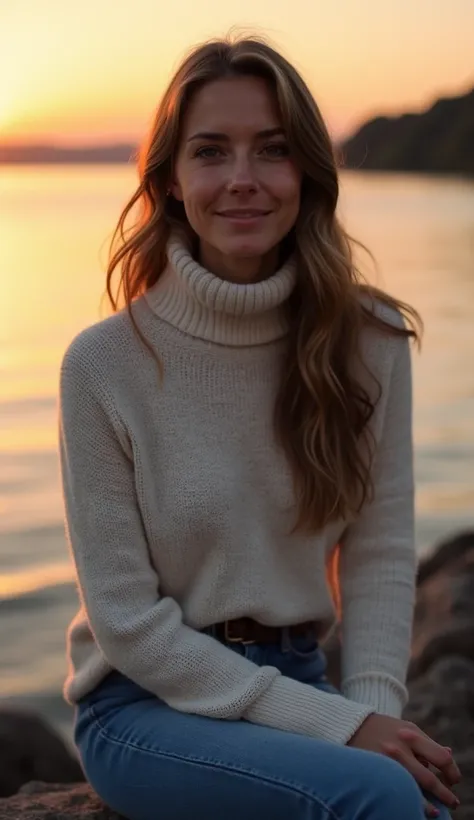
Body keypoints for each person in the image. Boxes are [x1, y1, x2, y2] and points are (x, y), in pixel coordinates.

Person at [58, 34, 461, 820]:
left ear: (305, 172)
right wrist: (343, 729)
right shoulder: (103, 365)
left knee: (412, 797)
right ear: (171, 181)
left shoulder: (370, 340)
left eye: (271, 151)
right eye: (211, 153)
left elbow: (379, 552)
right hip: (140, 708)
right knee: (373, 796)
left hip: (296, 678)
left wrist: (377, 713)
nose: (242, 180)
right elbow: (129, 625)